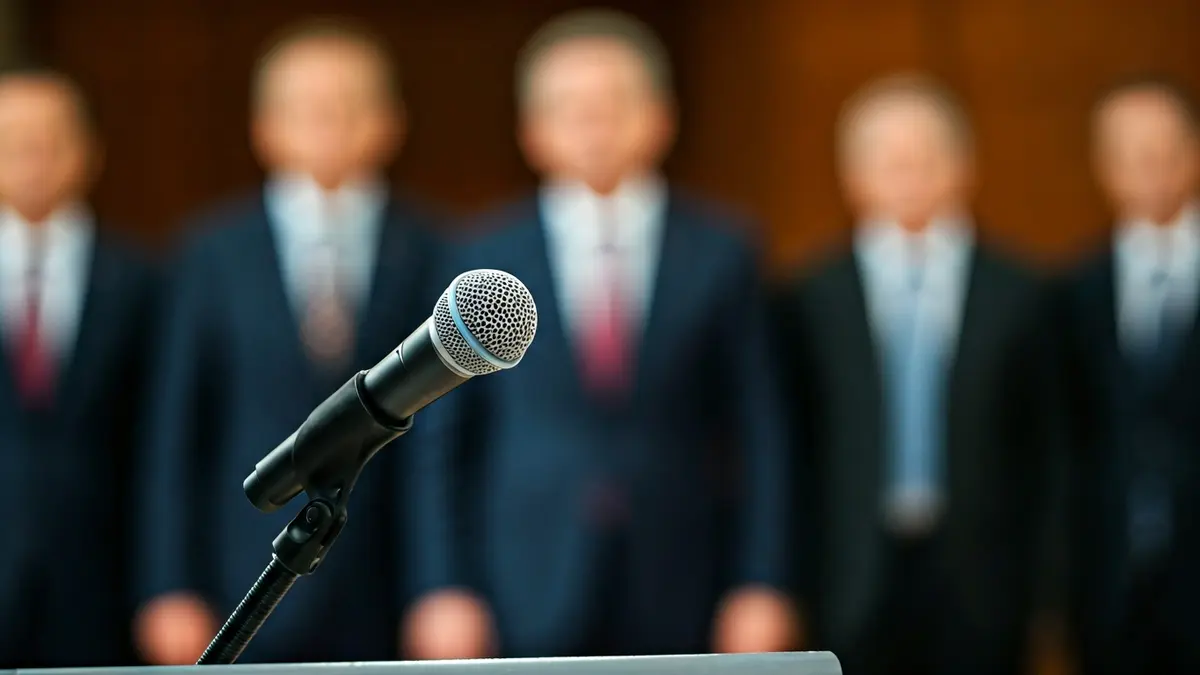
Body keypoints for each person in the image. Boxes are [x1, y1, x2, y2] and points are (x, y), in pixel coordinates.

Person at [402, 8, 797, 660]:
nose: (594, 124)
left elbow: (763, 429)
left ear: (662, 116)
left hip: (681, 570)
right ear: (532, 130)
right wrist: (443, 583)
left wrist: (762, 580)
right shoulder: (479, 253)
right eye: (569, 107)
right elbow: (441, 440)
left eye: (615, 102)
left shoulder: (724, 252)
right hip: (520, 571)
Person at [134, 19, 441, 664]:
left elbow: (444, 440)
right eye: (305, 108)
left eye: (348, 105)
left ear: (391, 122)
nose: (328, 122)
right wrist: (171, 583)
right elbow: (175, 432)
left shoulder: (431, 247)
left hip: (389, 576)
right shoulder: (211, 253)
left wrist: (440, 583)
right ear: (263, 127)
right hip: (241, 568)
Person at [774, 74, 1060, 675]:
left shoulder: (1022, 293)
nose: (908, 174)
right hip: (850, 573)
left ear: (966, 166)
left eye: (926, 156)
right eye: (887, 159)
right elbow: (794, 448)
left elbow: (1050, 451)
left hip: (984, 579)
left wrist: (1047, 589)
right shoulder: (810, 296)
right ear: (851, 175)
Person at [0, 69, 157, 668]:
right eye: (13, 140)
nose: (32, 157)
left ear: (89, 151)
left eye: (49, 139)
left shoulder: (141, 281)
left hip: (104, 575)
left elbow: (158, 442)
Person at [1058, 75, 1200, 675]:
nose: (1149, 166)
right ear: (1104, 167)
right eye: (1130, 152)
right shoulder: (1073, 292)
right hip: (1109, 584)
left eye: (1164, 148)